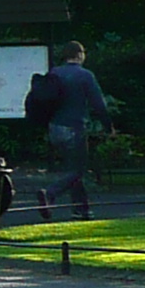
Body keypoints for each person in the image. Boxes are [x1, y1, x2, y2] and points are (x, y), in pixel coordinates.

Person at [34, 43, 115, 220]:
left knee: (73, 169)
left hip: (55, 127)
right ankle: (50, 193)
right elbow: (99, 104)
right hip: (74, 127)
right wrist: (108, 127)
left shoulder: (54, 73)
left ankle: (81, 209)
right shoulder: (85, 75)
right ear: (79, 55)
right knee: (78, 170)